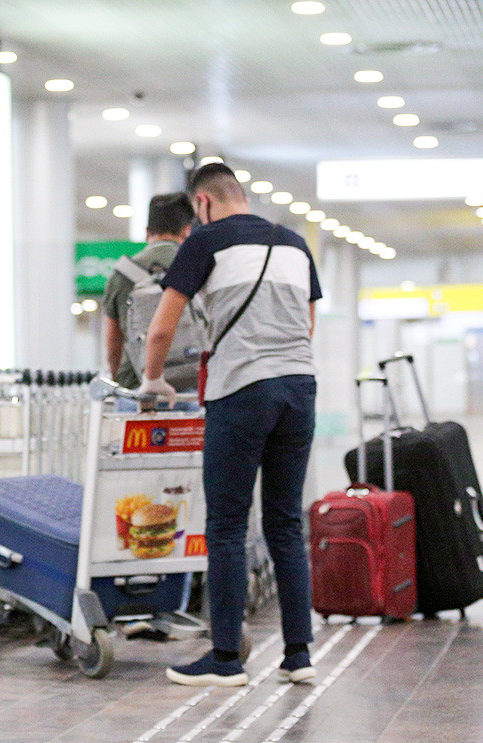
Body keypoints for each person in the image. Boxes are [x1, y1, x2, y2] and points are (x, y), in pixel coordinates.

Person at [139, 163, 322, 687]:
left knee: (225, 525)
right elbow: (306, 325)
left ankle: (225, 658)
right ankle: (298, 654)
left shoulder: (205, 242)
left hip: (242, 389)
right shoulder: (293, 243)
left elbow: (161, 330)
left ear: (202, 204)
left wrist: (153, 382)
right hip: (298, 388)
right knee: (286, 523)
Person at [101, 192, 195, 390]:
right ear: (187, 231)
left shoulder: (123, 272)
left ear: (147, 231)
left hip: (137, 385)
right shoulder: (198, 266)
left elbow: (113, 340)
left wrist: (117, 378)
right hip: (191, 386)